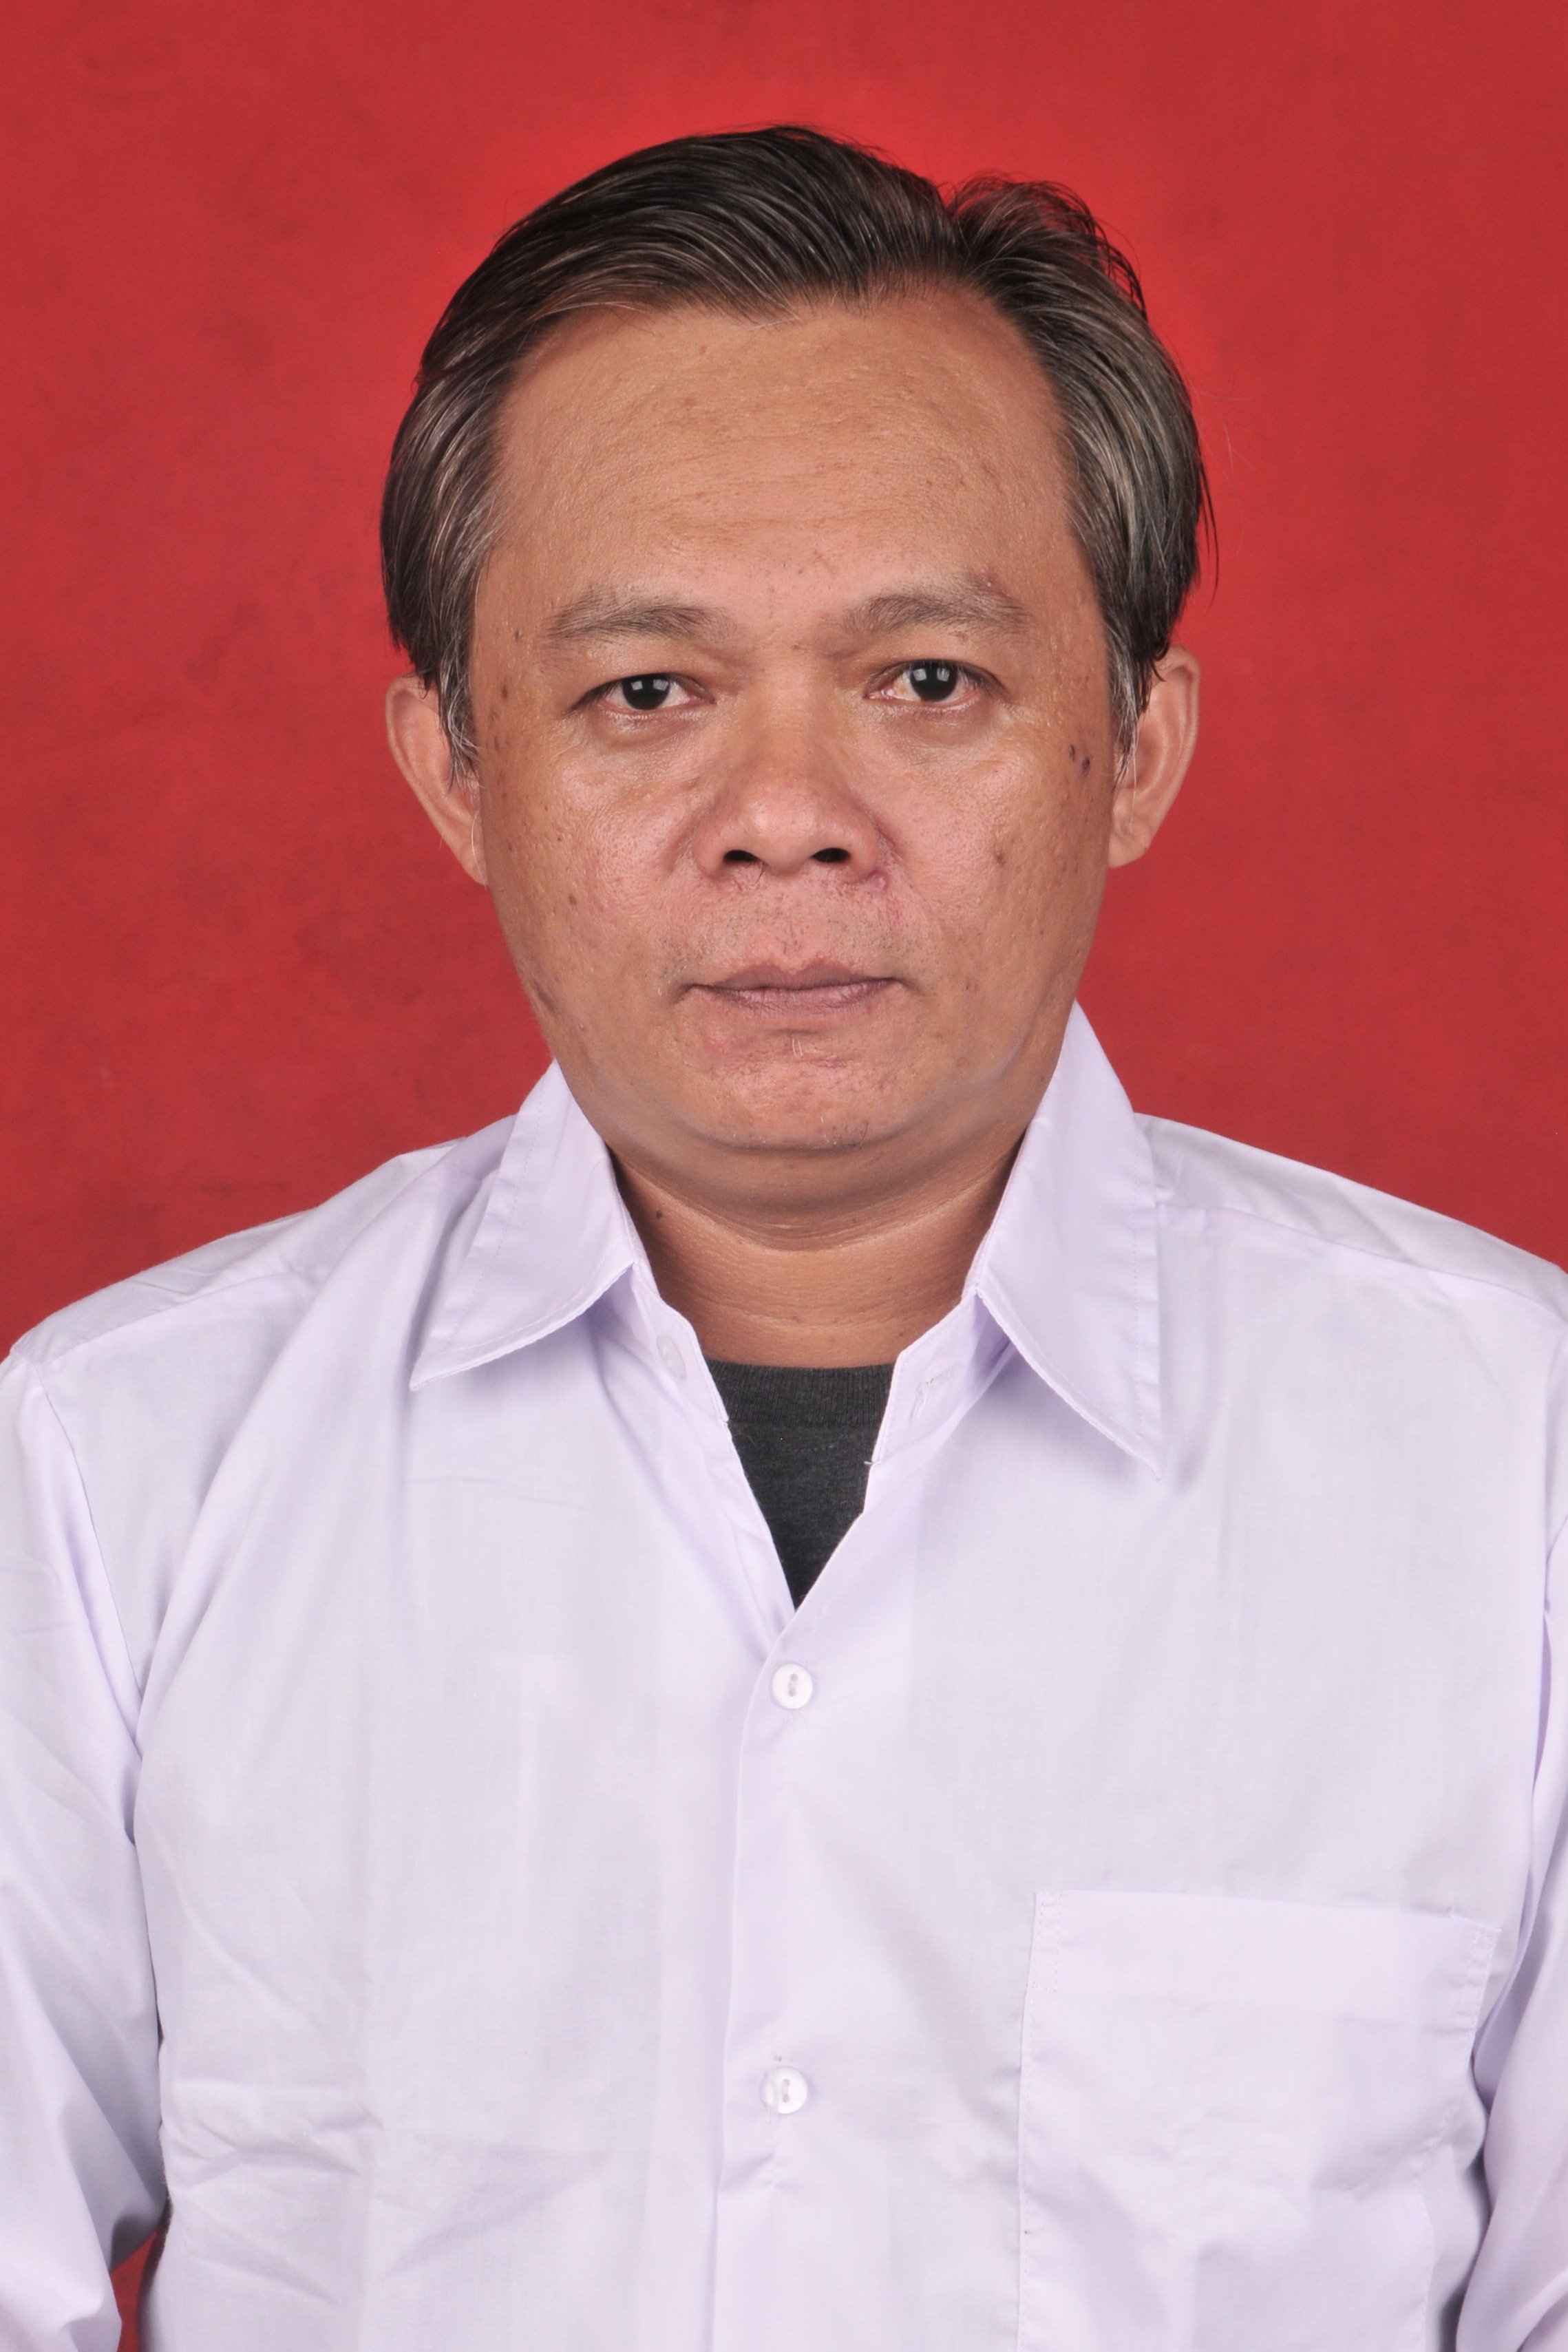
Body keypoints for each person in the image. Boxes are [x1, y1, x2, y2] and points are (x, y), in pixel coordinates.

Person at [0, 124, 1562, 2352]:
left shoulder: (1514, 1478)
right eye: (648, 691)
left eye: (927, 680)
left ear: (1136, 742)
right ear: (457, 769)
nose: (790, 818)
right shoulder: (112, 1478)